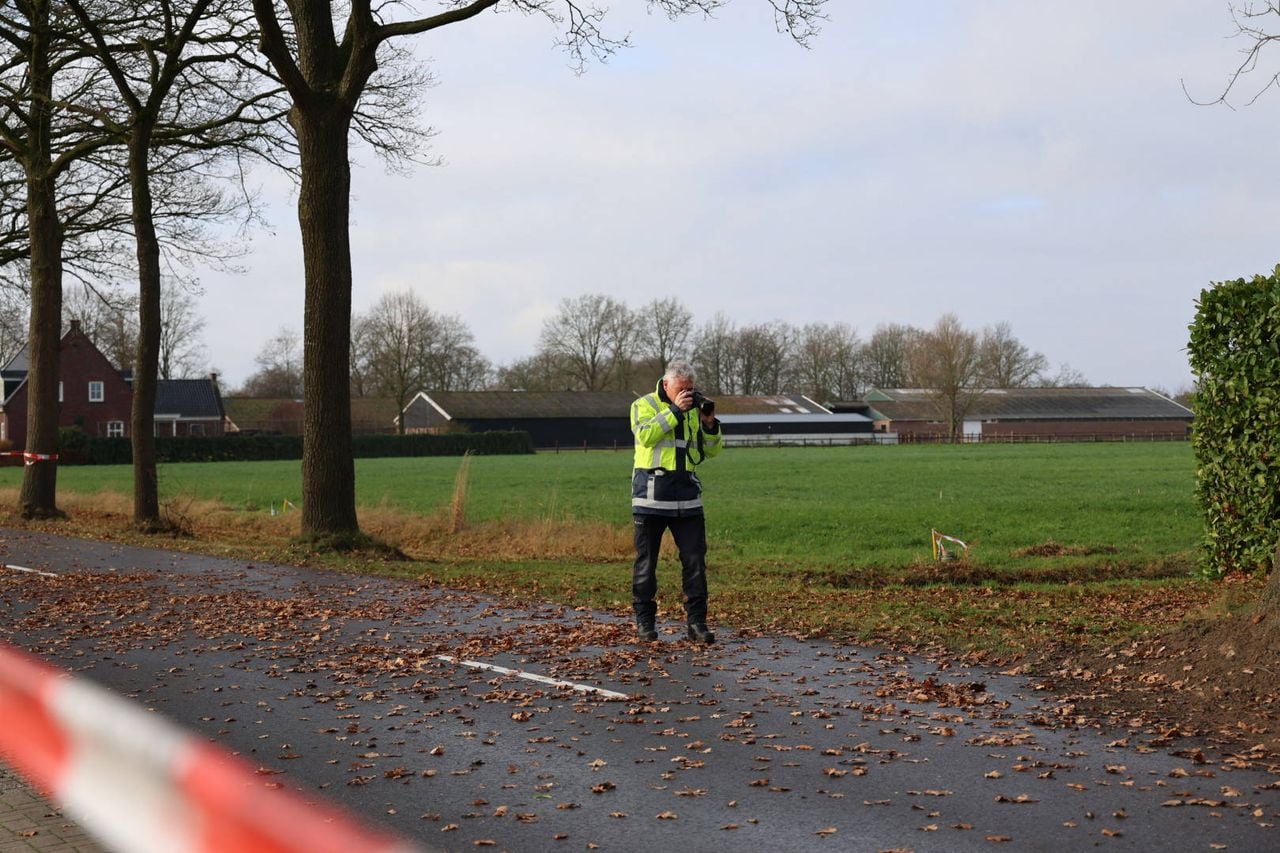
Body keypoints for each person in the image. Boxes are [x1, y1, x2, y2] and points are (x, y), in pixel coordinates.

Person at [629, 360, 724, 644]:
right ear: (667, 384)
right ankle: (645, 623)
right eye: (682, 389)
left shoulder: (694, 409)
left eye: (692, 390)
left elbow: (711, 452)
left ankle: (697, 624)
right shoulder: (643, 405)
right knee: (647, 563)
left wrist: (709, 424)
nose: (688, 395)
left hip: (687, 496)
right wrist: (674, 411)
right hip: (651, 497)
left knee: (695, 562)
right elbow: (645, 436)